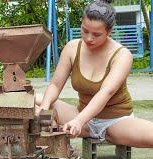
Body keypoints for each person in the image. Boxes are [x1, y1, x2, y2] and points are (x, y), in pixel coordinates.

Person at [37, 0, 153, 148]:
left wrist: (78, 121)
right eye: (85, 30)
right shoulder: (72, 48)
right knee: (32, 101)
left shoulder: (122, 55)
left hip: (116, 122)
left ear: (109, 31)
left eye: (97, 34)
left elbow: (106, 92)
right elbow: (55, 84)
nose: (89, 38)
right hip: (82, 117)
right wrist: (44, 109)